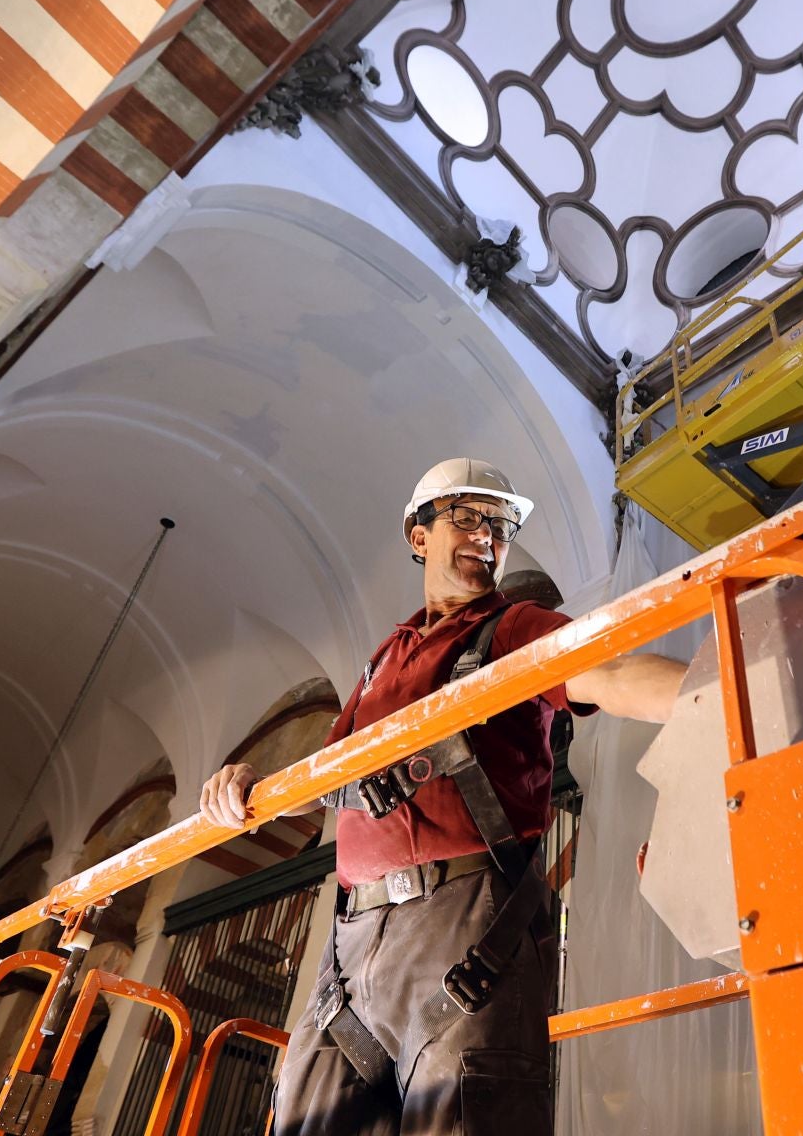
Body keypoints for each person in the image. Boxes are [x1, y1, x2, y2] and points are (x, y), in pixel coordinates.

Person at [202, 458, 686, 1135]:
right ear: (419, 534)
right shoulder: (382, 661)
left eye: (500, 525)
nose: (487, 535)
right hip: (349, 946)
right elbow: (323, 781)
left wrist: (735, 682)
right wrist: (252, 789)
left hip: (465, 924)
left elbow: (611, 671)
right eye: (466, 517)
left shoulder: (514, 627)